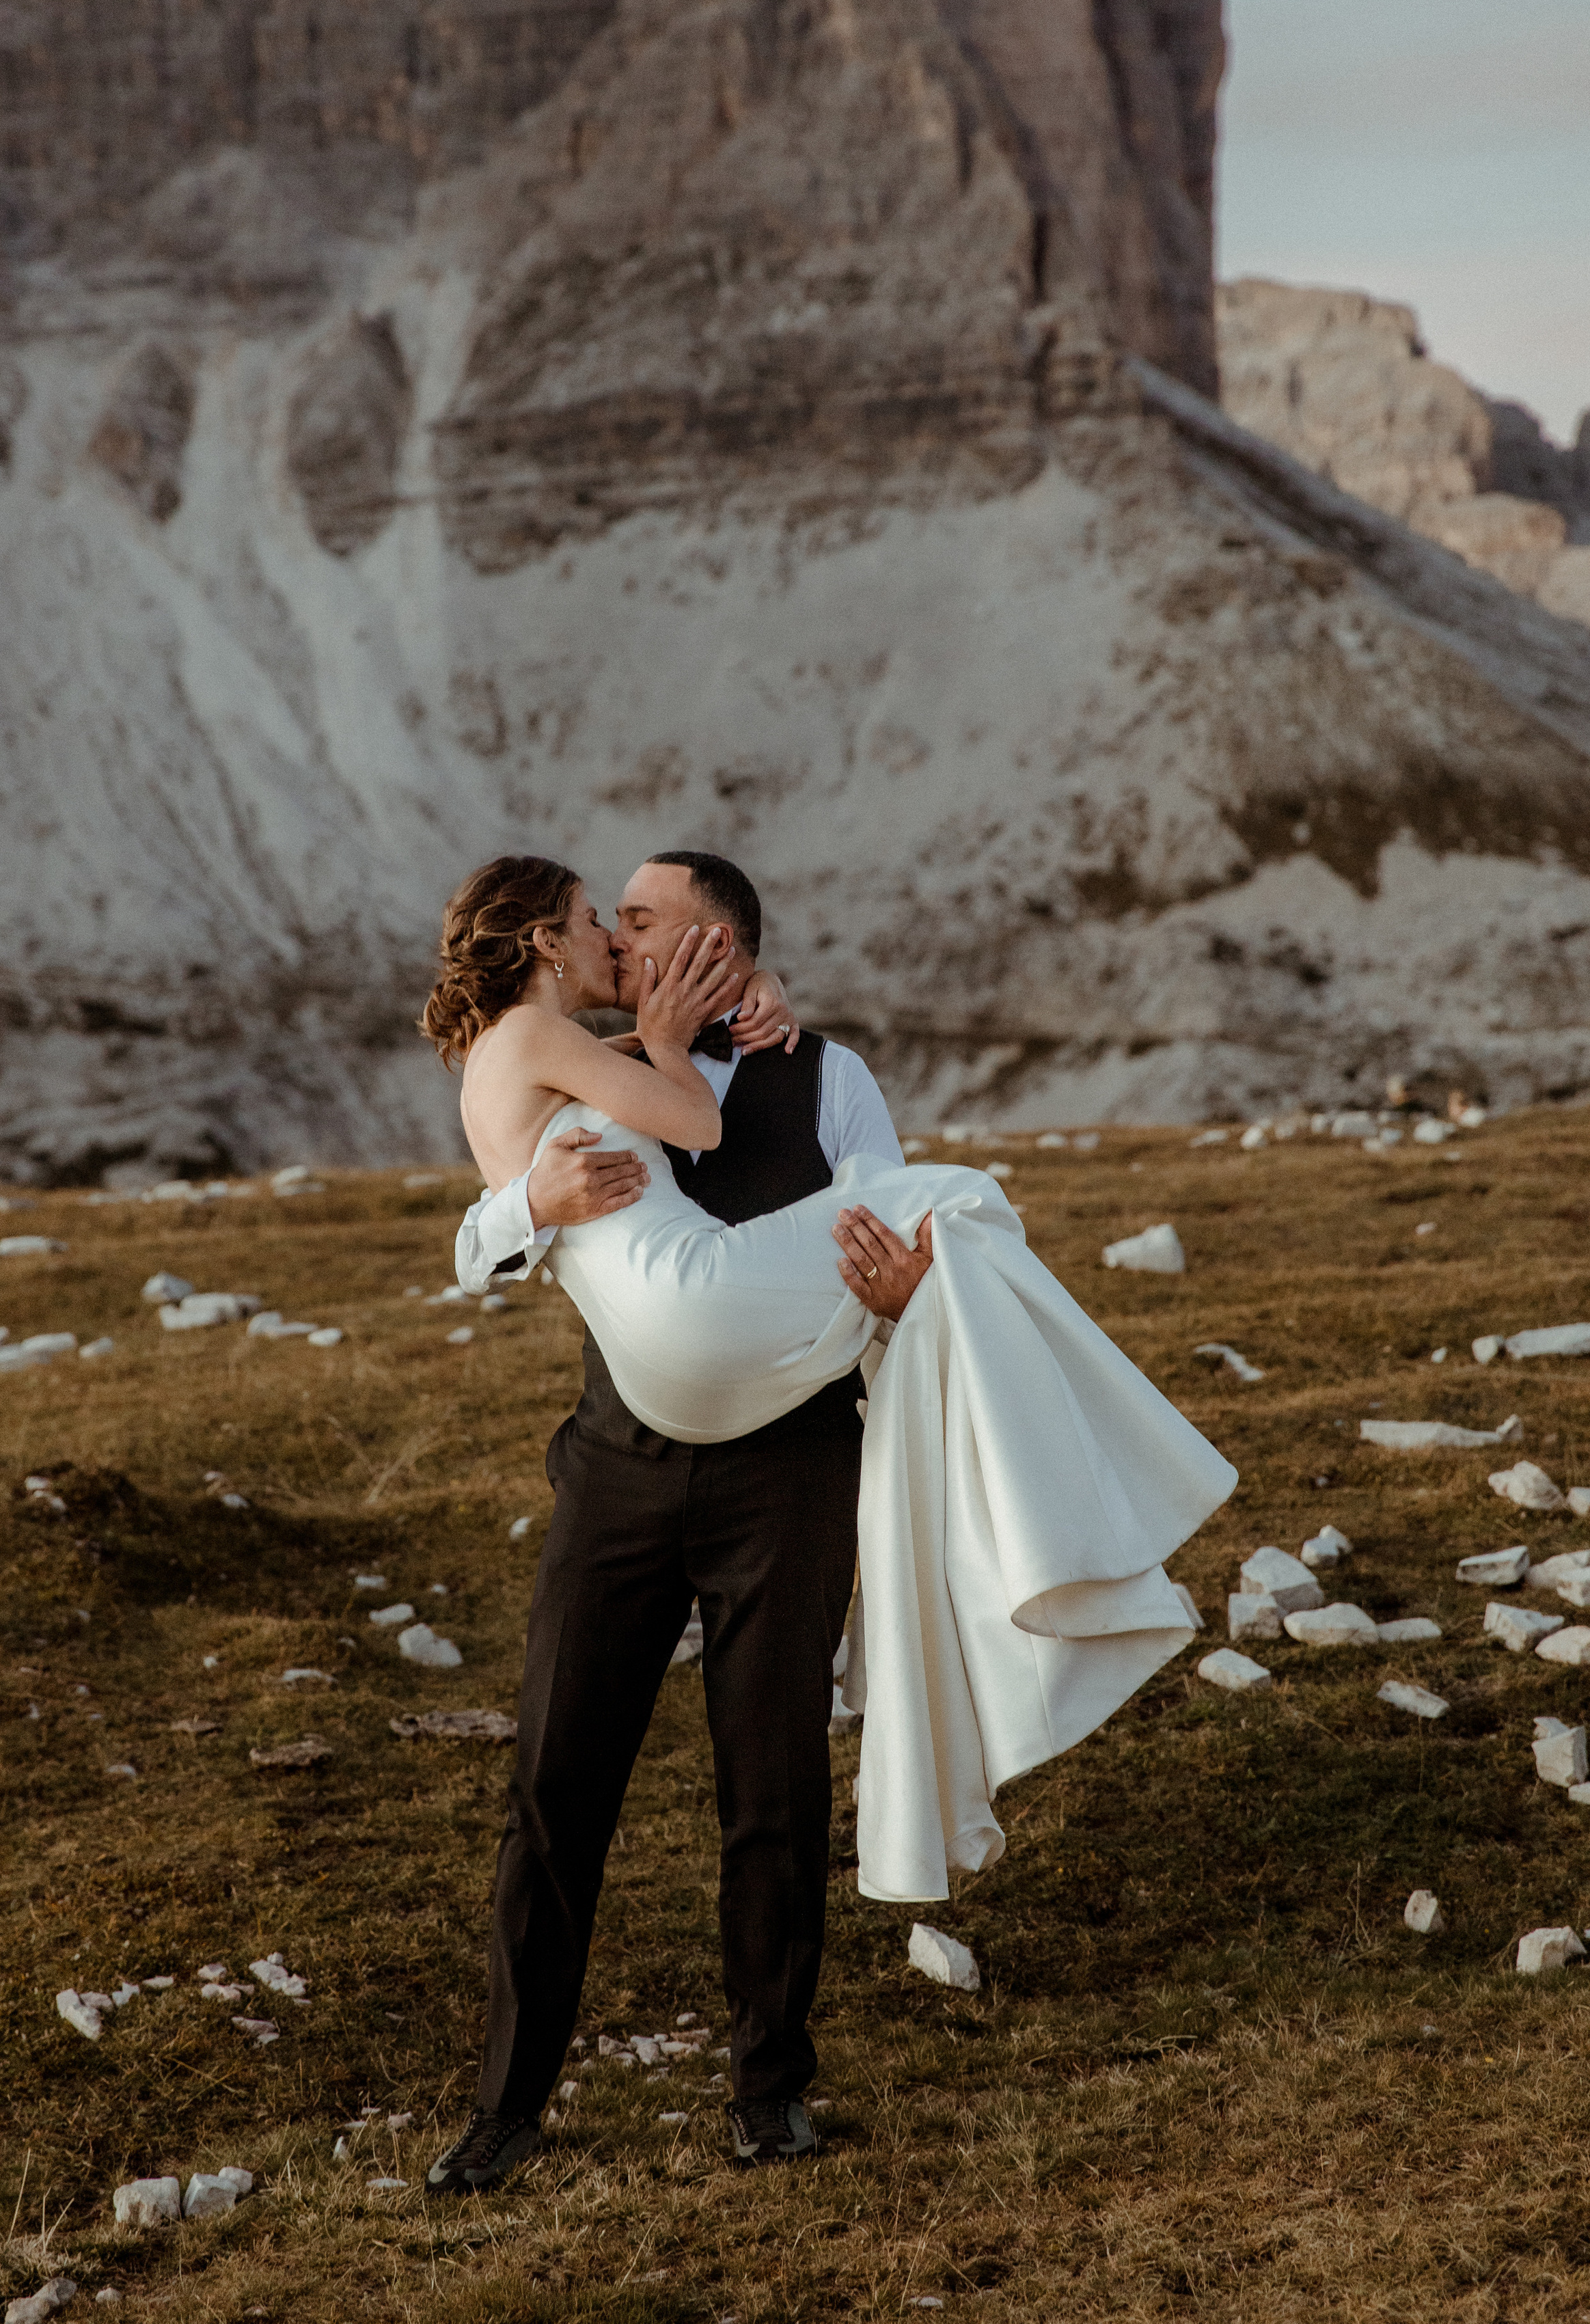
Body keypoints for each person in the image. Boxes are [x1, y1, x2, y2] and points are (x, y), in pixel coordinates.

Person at [420, 853, 1236, 2195]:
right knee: (556, 1786)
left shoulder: (827, 1076)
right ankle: (505, 2108)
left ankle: (768, 2095)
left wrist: (914, 1293)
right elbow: (479, 1235)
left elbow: (878, 1234)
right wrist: (525, 1208)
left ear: (719, 944)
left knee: (774, 1789)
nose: (619, 940)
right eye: (606, 924)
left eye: (643, 921)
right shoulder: (599, 1053)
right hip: (618, 1471)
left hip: (785, 1476)